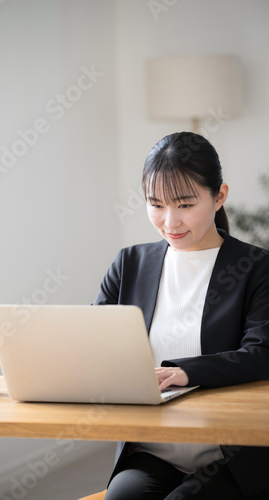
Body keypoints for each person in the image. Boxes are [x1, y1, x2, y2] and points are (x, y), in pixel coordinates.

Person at [94, 132, 269, 500]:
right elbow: (92, 344)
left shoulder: (256, 268)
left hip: (230, 457)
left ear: (219, 195)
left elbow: (261, 354)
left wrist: (187, 371)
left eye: (185, 204)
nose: (169, 221)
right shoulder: (129, 265)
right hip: (151, 453)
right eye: (155, 204)